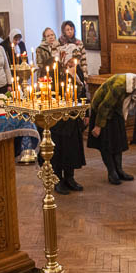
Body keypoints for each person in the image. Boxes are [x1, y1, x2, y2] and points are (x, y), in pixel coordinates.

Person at [88, 73, 136, 184]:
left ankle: (119, 170)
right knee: (106, 144)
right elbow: (104, 106)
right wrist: (98, 126)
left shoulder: (134, 83)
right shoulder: (119, 86)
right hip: (101, 113)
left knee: (118, 143)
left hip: (115, 111)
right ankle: (111, 172)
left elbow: (122, 102)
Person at [45, 67, 88, 195]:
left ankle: (70, 178)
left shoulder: (76, 73)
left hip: (72, 118)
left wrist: (86, 114)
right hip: (57, 121)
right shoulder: (54, 74)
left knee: (72, 149)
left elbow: (82, 94)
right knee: (59, 151)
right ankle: (58, 180)